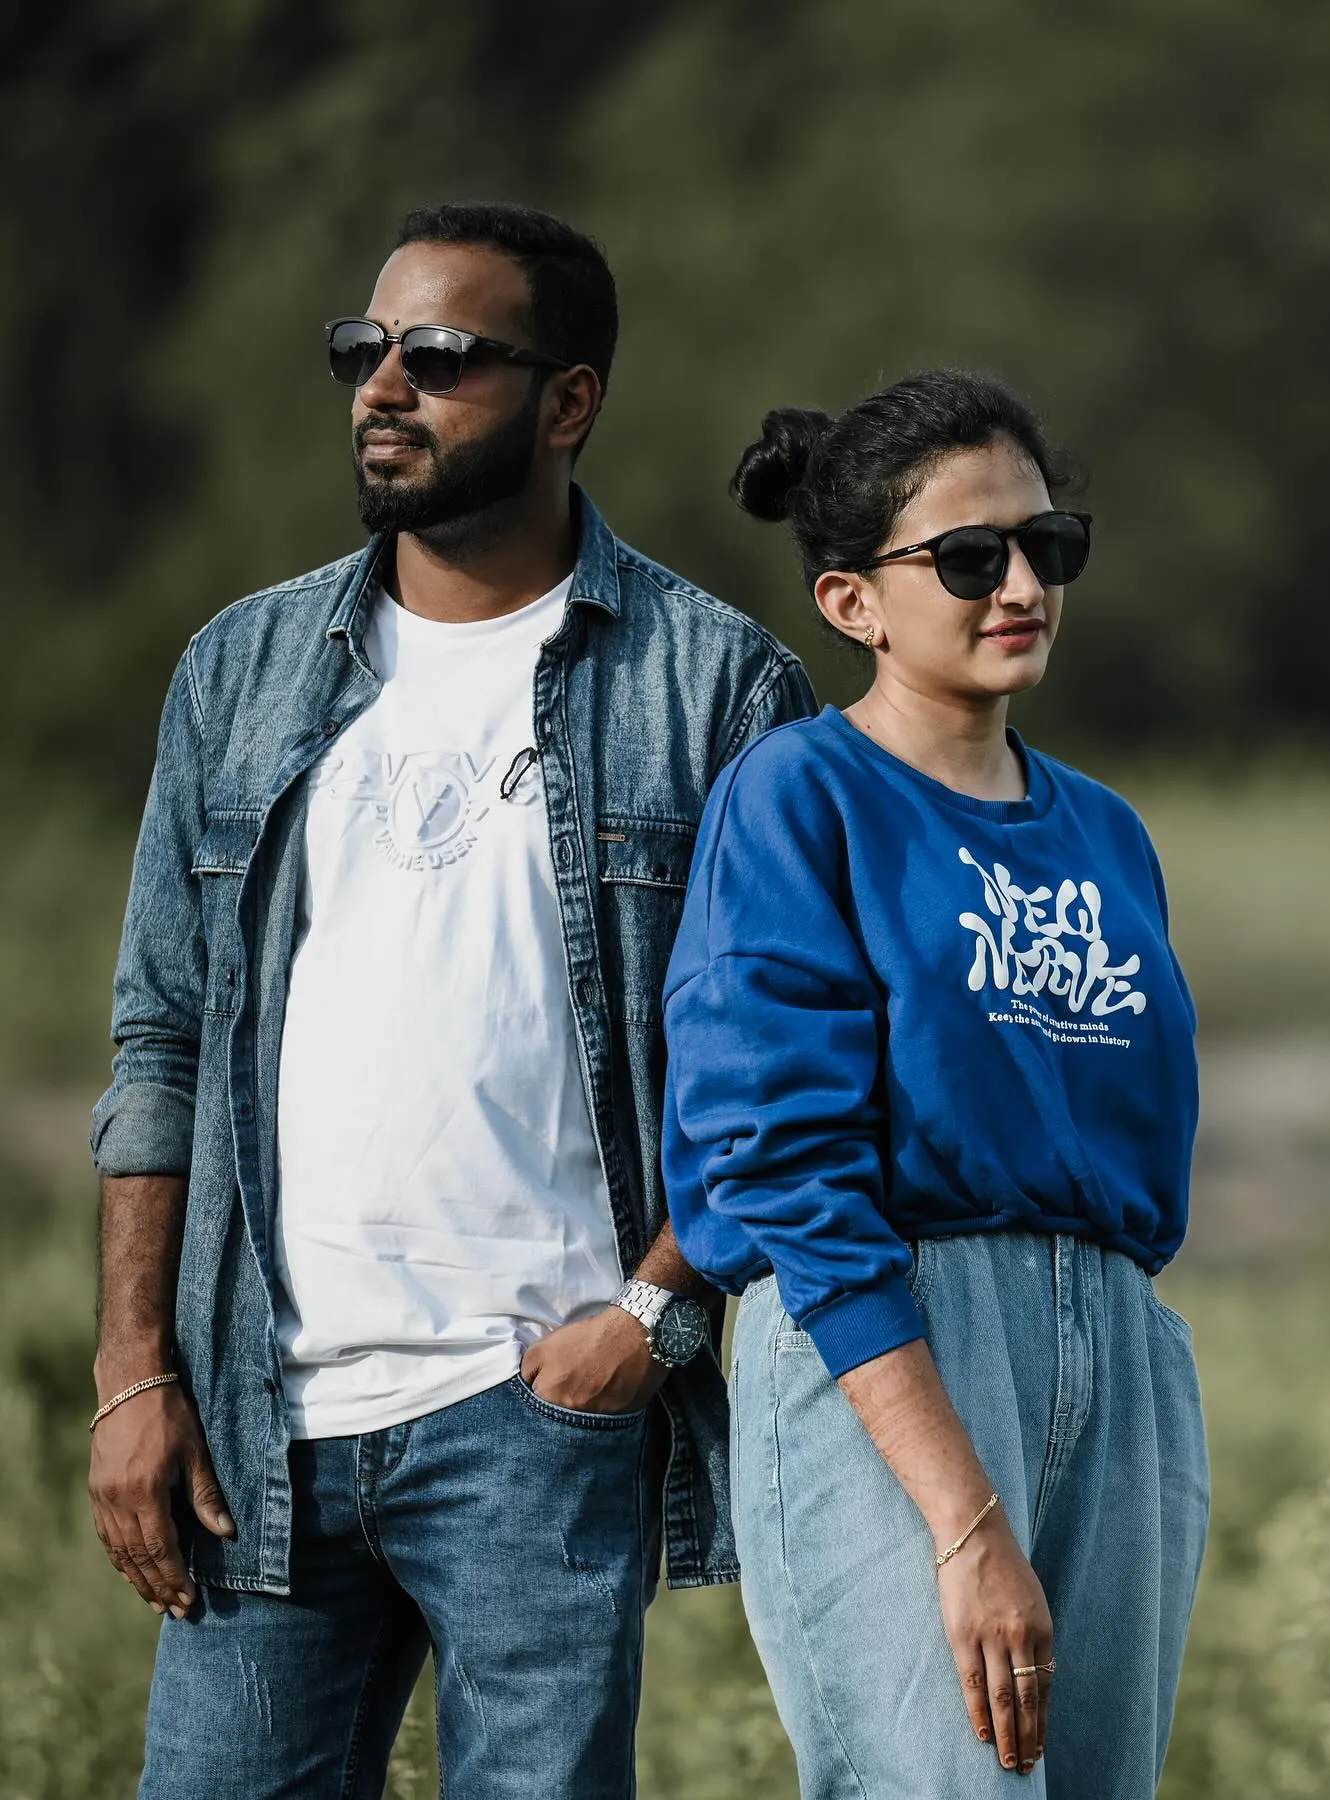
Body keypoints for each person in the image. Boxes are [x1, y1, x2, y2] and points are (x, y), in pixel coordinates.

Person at [88, 200, 815, 1798]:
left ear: (570, 401)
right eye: (366, 349)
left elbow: (793, 1052)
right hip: (256, 1423)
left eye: (442, 356)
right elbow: (160, 1037)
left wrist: (653, 1312)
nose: (384, 386)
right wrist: (133, 1373)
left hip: (537, 1416)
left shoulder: (716, 686)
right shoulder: (242, 669)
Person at [662, 371, 1208, 1798]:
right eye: (972, 558)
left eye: (1050, 546)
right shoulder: (800, 797)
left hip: (1116, 1351)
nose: (1023, 583)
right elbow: (777, 1162)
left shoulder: (1108, 830)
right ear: (853, 603)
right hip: (899, 1340)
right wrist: (963, 1518)